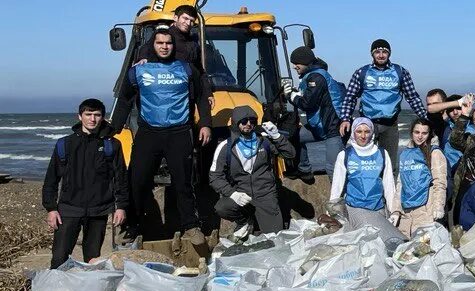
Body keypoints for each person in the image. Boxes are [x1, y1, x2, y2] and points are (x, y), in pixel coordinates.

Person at [110, 27, 212, 244]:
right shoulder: (138, 71)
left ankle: (191, 226)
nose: (164, 46)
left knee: (184, 182)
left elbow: (202, 97)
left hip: (179, 131)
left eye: (168, 43)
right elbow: (125, 100)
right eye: (160, 43)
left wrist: (205, 124)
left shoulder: (186, 69)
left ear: (173, 45)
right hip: (149, 132)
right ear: (153, 45)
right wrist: (114, 130)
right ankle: (132, 227)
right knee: (137, 180)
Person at [43, 99, 128, 267]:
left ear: (103, 117)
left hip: (99, 210)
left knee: (92, 260)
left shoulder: (112, 145)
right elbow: (51, 179)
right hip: (69, 208)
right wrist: (51, 208)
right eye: (88, 114)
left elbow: (121, 179)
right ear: (79, 116)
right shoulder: (65, 144)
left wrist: (121, 207)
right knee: (59, 258)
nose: (92, 119)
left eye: (97, 115)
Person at [337, 39, 431, 175]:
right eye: (377, 52)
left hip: (390, 125)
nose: (381, 55)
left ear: (389, 53)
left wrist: (425, 118)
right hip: (367, 125)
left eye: (384, 52)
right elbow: (350, 97)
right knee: (366, 163)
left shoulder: (400, 72)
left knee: (389, 166)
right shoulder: (362, 72)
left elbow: (412, 97)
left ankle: (390, 196)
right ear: (372, 54)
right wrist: (345, 118)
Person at [209, 106, 294, 237]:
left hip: (266, 195)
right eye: (244, 121)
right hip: (242, 195)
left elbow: (290, 154)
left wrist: (277, 136)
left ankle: (263, 222)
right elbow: (215, 177)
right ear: (236, 122)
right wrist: (233, 194)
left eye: (252, 121)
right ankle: (244, 221)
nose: (248, 124)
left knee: (275, 239)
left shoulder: (264, 141)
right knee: (222, 207)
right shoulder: (225, 146)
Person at [328, 116, 405, 246]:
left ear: (372, 133)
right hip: (355, 208)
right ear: (353, 132)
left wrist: (394, 211)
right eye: (359, 131)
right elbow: (337, 186)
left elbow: (388, 185)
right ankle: (401, 243)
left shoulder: (382, 153)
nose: (363, 136)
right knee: (379, 239)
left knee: (377, 243)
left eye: (367, 131)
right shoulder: (345, 155)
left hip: (378, 208)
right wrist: (331, 211)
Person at [285, 46, 345, 176]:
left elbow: (307, 103)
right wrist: (295, 94)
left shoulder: (316, 77)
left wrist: (291, 96)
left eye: (296, 63)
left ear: (306, 61)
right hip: (318, 126)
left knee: (333, 169)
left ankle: (341, 196)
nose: (295, 66)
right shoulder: (311, 75)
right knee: (292, 136)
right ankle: (304, 170)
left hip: (332, 128)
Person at [395, 118, 448, 235]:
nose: (420, 136)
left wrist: (438, 207)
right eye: (417, 132)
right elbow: (400, 184)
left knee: (423, 246)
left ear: (429, 134)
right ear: (411, 133)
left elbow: (440, 182)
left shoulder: (435, 153)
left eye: (424, 133)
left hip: (426, 209)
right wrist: (396, 210)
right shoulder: (405, 154)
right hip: (406, 210)